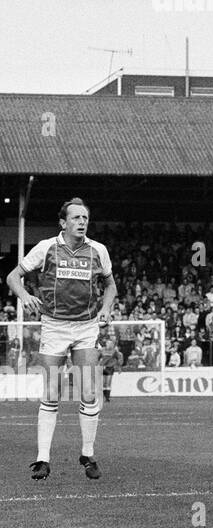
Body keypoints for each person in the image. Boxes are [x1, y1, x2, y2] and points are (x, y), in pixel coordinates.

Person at [5, 198, 115, 480]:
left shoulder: (98, 250)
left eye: (85, 218)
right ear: (63, 222)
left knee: (89, 391)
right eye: (76, 218)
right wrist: (25, 295)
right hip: (54, 326)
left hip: (86, 326)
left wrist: (105, 309)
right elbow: (13, 277)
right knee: (51, 392)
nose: (82, 222)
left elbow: (110, 284)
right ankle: (43, 459)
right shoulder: (46, 247)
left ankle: (88, 455)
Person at [98, 328, 120, 403]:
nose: (109, 344)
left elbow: (118, 359)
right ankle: (104, 397)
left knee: (108, 383)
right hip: (102, 368)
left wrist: (118, 366)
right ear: (106, 343)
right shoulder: (102, 350)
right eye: (108, 343)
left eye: (111, 343)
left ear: (112, 344)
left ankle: (107, 398)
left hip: (110, 368)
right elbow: (98, 358)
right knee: (103, 383)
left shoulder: (114, 351)